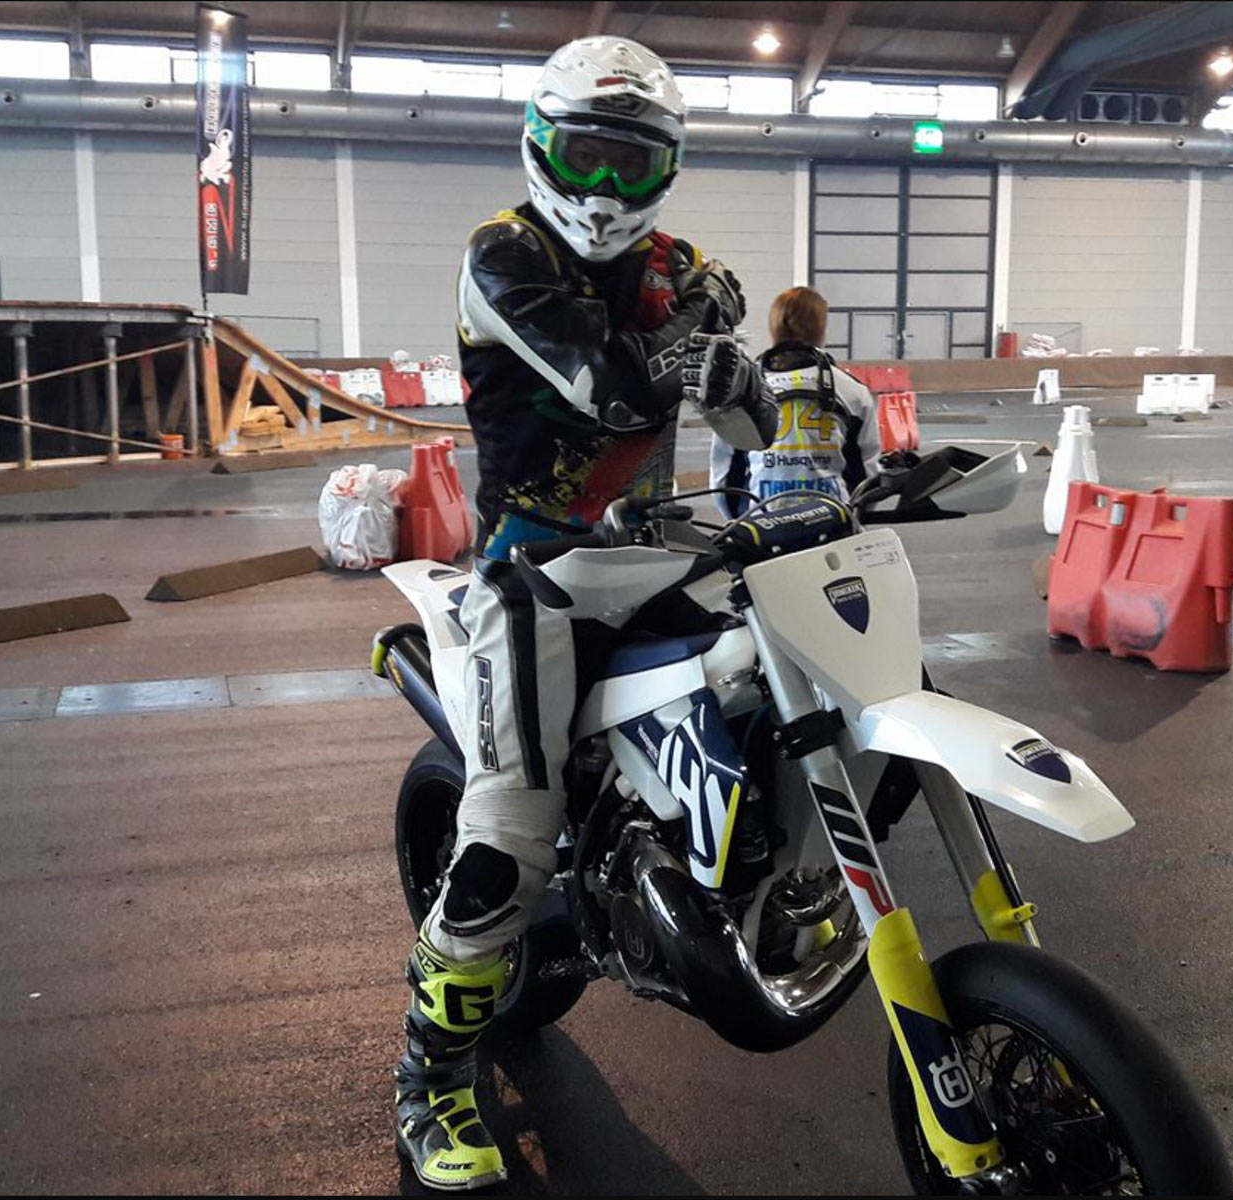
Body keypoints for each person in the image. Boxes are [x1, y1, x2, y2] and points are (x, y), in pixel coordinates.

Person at [395, 35, 776, 1192]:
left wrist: (742, 376)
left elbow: (753, 421)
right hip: (531, 570)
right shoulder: (502, 254)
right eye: (585, 156)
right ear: (540, 146)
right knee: (508, 835)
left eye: (631, 161)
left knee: (777, 682)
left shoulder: (681, 267)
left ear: (667, 165)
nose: (605, 187)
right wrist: (698, 332)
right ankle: (428, 1077)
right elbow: (608, 385)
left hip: (655, 552)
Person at [709, 286, 883, 517]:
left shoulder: (742, 390)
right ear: (821, 328)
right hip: (833, 523)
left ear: (774, 327)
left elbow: (724, 477)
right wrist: (851, 517)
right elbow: (867, 475)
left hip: (763, 525)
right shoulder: (852, 391)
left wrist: (742, 524)